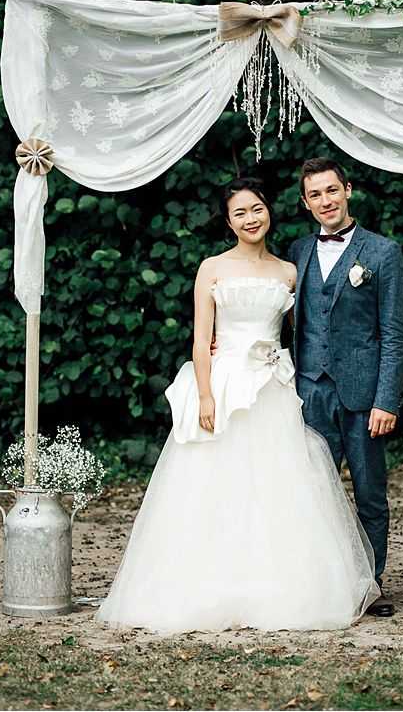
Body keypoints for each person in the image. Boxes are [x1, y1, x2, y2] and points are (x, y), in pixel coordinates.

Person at [96, 177, 379, 634]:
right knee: (213, 486)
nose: (251, 219)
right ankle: (208, 585)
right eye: (240, 213)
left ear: (270, 211)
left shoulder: (290, 270)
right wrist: (206, 394)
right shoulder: (212, 268)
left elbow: (304, 331)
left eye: (257, 209)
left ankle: (278, 586)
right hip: (225, 386)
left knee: (276, 488)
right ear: (229, 222)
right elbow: (200, 339)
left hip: (272, 387)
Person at [289, 158, 403, 618]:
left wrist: (386, 399)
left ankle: (369, 586)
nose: (325, 201)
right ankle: (320, 582)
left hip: (363, 396)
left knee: (369, 493)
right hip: (308, 391)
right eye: (315, 194)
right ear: (306, 202)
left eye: (331, 191)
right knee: (313, 493)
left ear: (348, 190)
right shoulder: (297, 252)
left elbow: (394, 333)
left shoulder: (382, 253)